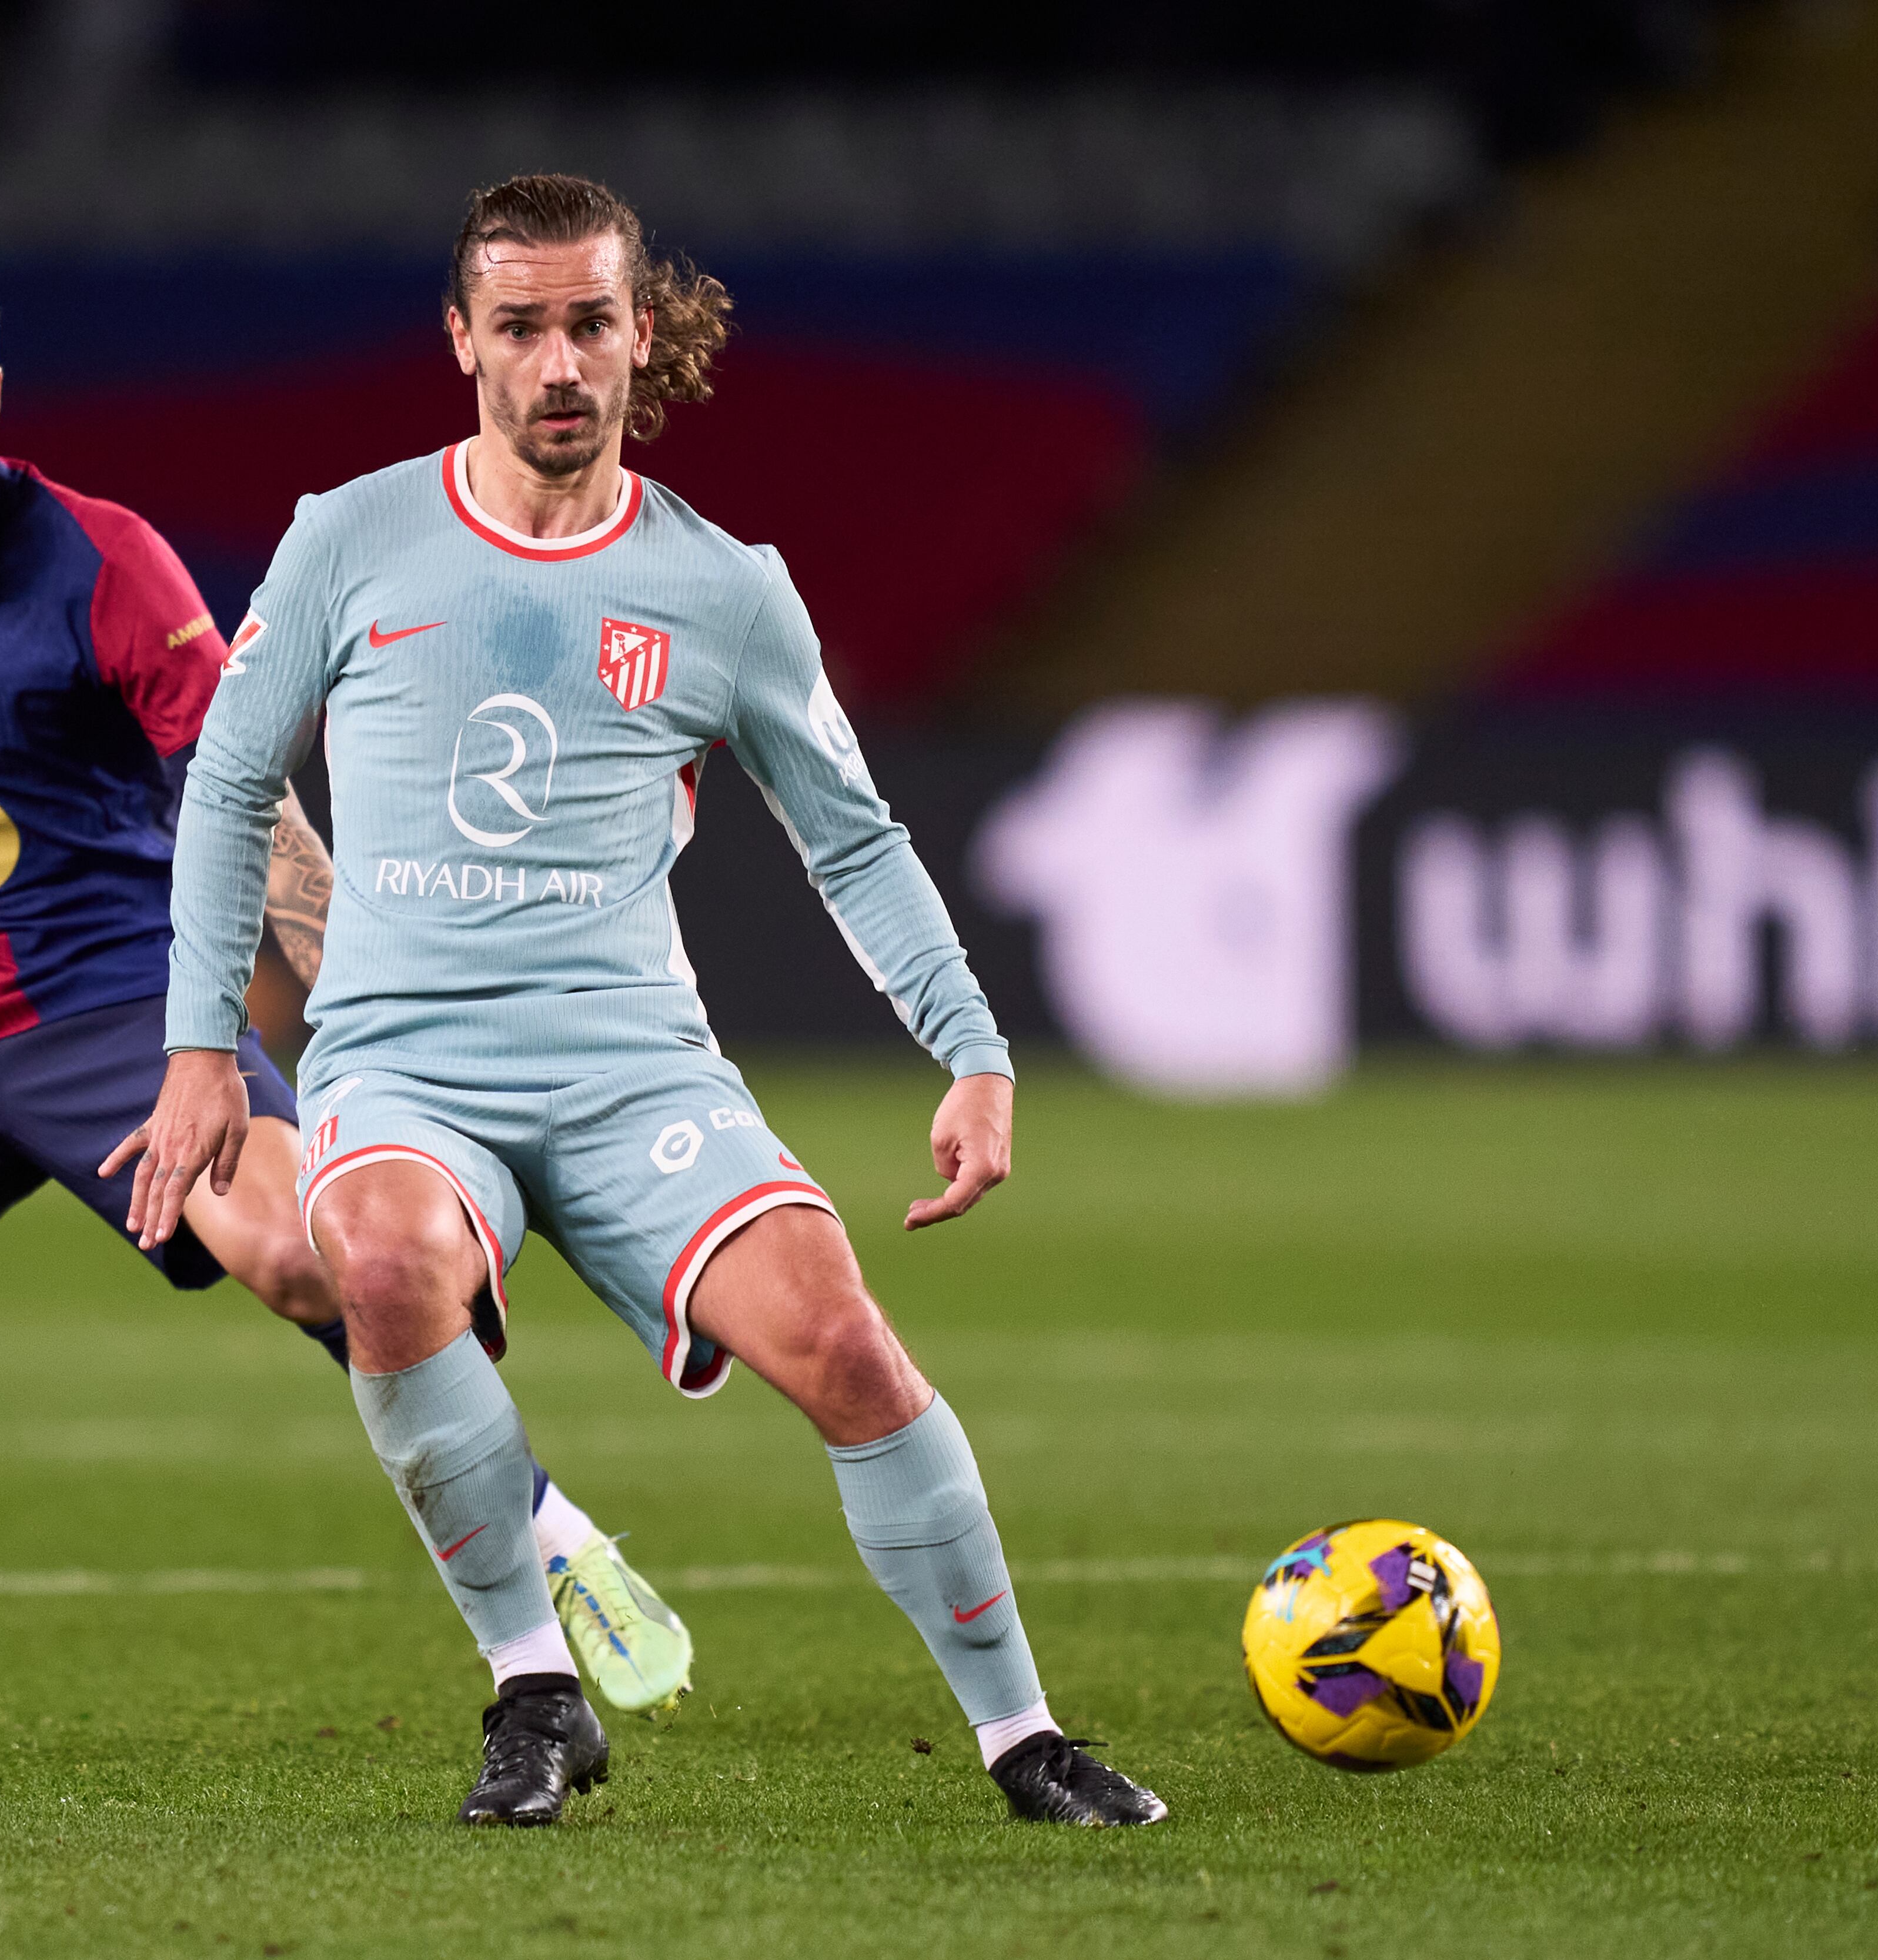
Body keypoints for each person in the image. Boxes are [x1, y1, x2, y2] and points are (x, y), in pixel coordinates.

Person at [0, 250, 693, 1769]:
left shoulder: (100, 563)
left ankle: (555, 1538)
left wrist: (384, 1009)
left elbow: (244, 799)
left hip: (122, 1021)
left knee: (313, 1256)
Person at [116, 177, 1169, 1829]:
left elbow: (854, 839)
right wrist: (202, 1047)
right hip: (405, 1064)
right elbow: (231, 783)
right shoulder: (348, 539)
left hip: (635, 1073)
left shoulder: (725, 588)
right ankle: (534, 1692)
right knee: (380, 1262)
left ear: (640, 333)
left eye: (589, 324)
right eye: (520, 327)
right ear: (462, 341)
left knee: (847, 1348)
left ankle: (1023, 1738)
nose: (558, 365)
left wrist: (974, 1049)